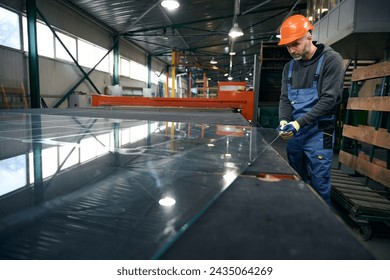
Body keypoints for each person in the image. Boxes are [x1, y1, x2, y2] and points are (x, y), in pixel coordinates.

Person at [277, 14, 344, 206]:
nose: (292, 50)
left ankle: (322, 229)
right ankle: (301, 222)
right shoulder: (289, 68)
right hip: (295, 133)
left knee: (319, 182)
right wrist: (283, 120)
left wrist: (297, 123)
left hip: (319, 131)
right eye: (288, 46)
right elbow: (285, 98)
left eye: (295, 44)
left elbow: (329, 100)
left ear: (308, 36)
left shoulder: (331, 60)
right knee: (296, 180)